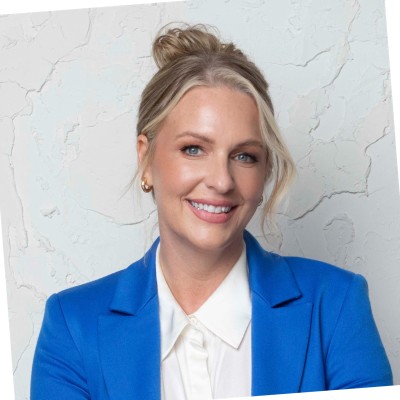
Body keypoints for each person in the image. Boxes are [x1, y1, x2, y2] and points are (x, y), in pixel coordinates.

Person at [30, 24, 392, 400]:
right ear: (146, 159)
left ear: (265, 171)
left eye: (244, 156)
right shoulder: (72, 325)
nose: (221, 180)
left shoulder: (336, 306)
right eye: (193, 149)